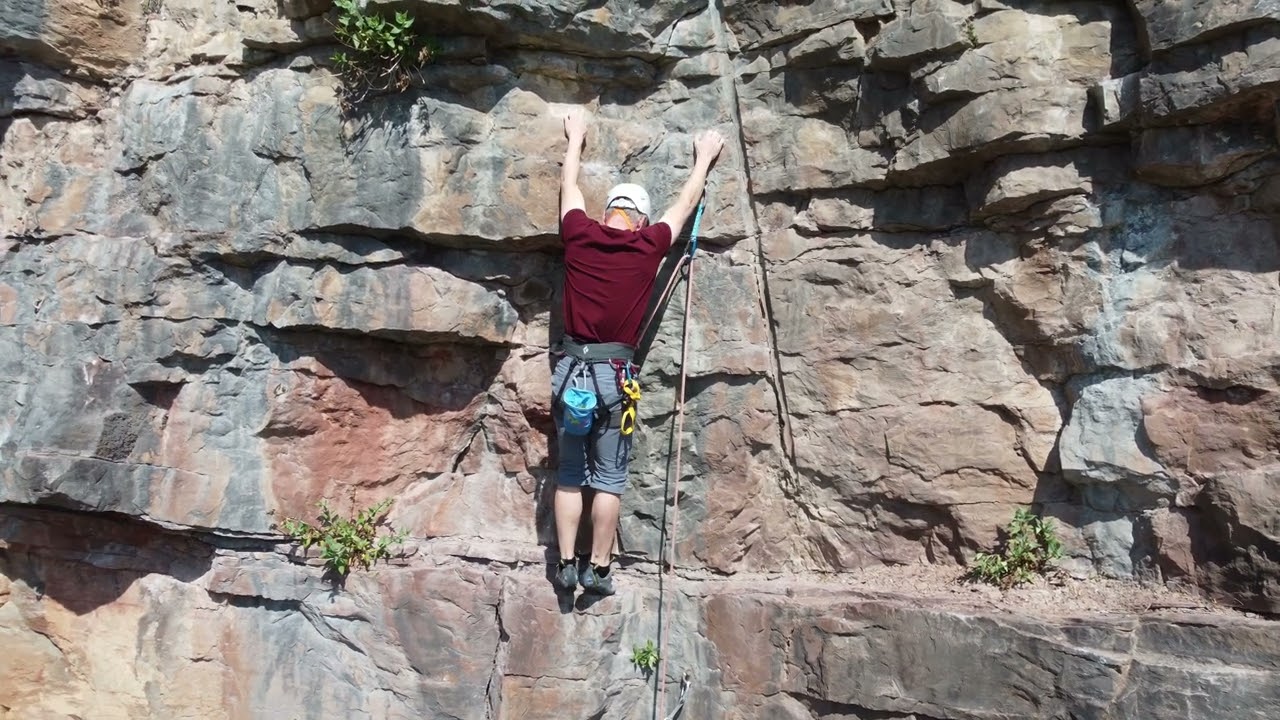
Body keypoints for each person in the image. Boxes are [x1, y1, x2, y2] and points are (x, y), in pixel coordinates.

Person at [551, 109, 724, 596]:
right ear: (641, 220)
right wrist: (703, 158)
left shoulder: (578, 234)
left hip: (570, 373)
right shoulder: (648, 245)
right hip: (614, 375)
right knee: (608, 477)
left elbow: (569, 189)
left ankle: (565, 565)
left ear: (607, 212)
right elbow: (684, 205)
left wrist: (576, 138)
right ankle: (599, 569)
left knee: (569, 474)